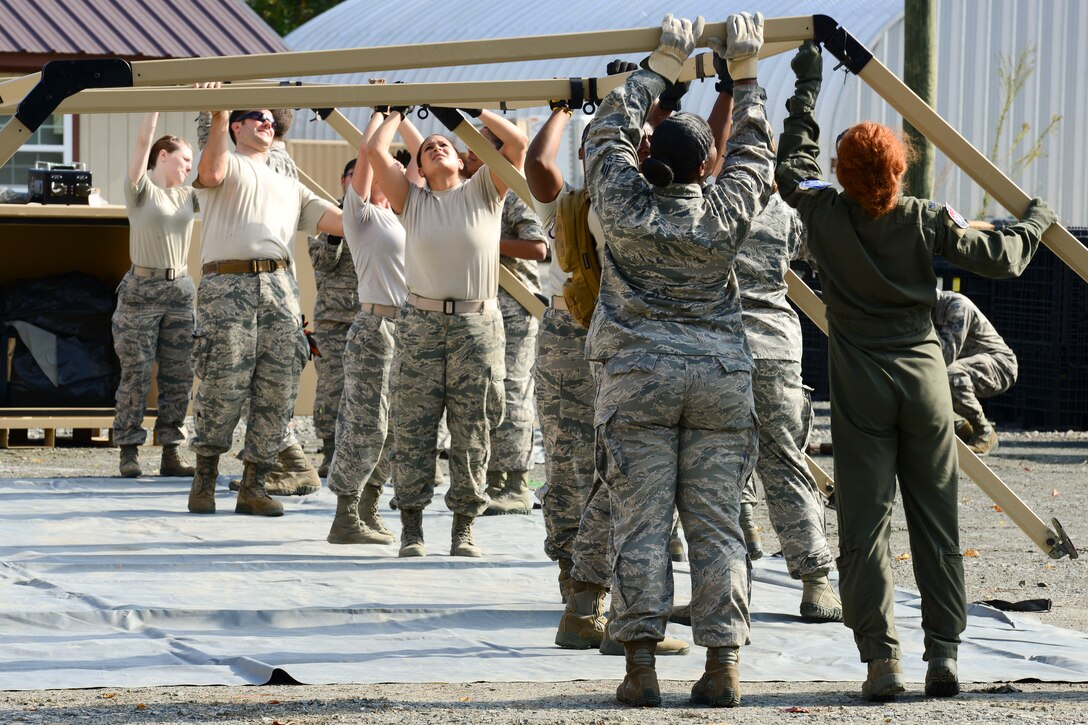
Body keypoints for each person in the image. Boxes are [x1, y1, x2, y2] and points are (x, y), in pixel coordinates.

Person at [775, 40, 1057, 701]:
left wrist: (807, 87)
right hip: (926, 382)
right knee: (937, 524)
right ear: (900, 172)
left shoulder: (822, 212)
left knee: (864, 529)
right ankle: (945, 657)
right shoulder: (924, 221)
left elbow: (791, 164)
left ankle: (881, 662)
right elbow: (1004, 256)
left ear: (843, 176)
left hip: (860, 386)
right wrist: (1036, 219)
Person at [585, 12, 774, 708]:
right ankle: (722, 664)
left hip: (639, 379)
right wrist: (746, 75)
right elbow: (756, 150)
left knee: (640, 521)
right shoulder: (724, 211)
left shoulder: (624, 202)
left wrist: (662, 65)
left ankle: (639, 667)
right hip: (719, 379)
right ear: (706, 165)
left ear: (649, 159)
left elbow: (605, 131)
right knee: (718, 522)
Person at [526, 68, 691, 660]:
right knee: (607, 472)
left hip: (592, 340)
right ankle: (597, 597)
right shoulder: (618, 205)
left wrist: (564, 110)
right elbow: (541, 168)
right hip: (608, 344)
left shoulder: (593, 203)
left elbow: (539, 166)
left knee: (589, 468)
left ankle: (587, 594)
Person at [367, 106, 526, 557]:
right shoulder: (411, 200)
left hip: (477, 325)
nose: (436, 147)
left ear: (461, 159)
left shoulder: (485, 190)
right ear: (417, 167)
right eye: (426, 148)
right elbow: (374, 149)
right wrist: (392, 112)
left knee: (472, 428)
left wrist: (473, 112)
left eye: (445, 145)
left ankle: (464, 527)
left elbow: (515, 145)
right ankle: (412, 527)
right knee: (413, 427)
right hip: (420, 324)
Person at [186, 107, 343, 518]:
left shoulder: (291, 184)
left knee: (278, 388)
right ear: (237, 126)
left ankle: (254, 486)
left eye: (272, 118)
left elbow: (344, 223)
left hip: (280, 289)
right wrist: (218, 118)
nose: (267, 122)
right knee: (223, 384)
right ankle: (204, 480)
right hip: (228, 287)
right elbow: (212, 174)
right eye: (256, 116)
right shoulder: (226, 162)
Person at [733, 192, 842, 622]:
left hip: (715, 348)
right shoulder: (780, 212)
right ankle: (817, 584)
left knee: (714, 467)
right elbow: (823, 253)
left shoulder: (708, 201)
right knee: (786, 465)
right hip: (774, 348)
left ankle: (722, 591)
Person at [325, 107, 420, 545]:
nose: (399, 169)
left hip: (412, 330)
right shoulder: (360, 217)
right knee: (367, 424)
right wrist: (385, 113)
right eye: (392, 166)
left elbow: (421, 155)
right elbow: (367, 151)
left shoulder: (411, 213)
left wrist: (408, 115)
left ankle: (369, 507)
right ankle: (345, 514)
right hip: (376, 326)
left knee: (398, 427)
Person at [461, 127, 549, 516]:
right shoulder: (470, 192)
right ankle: (490, 477)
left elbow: (538, 247)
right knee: (483, 394)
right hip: (478, 304)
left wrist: (483, 244)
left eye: (475, 152)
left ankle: (514, 482)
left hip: (514, 305)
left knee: (512, 391)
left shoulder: (514, 192)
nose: (466, 159)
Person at [112, 111, 199, 478]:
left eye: (192, 163)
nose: (188, 168)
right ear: (163, 155)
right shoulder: (140, 190)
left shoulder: (190, 196)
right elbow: (142, 141)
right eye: (184, 160)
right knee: (136, 372)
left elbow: (217, 169)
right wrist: (156, 103)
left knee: (179, 374)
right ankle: (129, 451)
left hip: (179, 290)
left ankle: (170, 451)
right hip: (141, 291)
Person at [309, 159, 361, 477]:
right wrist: (336, 231)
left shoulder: (383, 214)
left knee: (371, 390)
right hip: (332, 322)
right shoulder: (325, 215)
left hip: (372, 317)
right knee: (331, 388)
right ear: (343, 180)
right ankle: (330, 452)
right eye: (354, 176)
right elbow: (322, 262)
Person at [932, 289, 1016, 454]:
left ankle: (984, 432)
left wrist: (925, 328)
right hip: (970, 365)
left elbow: (946, 355)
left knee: (951, 374)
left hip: (1000, 365)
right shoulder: (930, 312)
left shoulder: (957, 306)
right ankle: (961, 428)